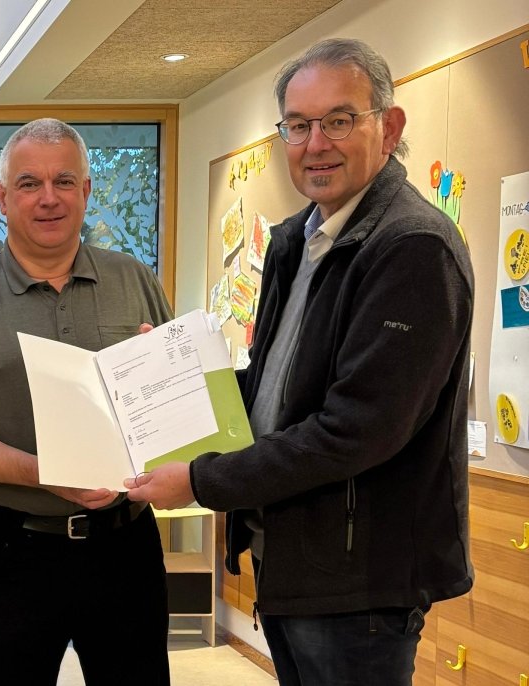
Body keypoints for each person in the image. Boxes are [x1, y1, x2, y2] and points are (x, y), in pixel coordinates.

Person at [127, 38, 474, 685]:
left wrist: (201, 483)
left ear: (389, 126)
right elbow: (273, 392)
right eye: (298, 125)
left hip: (359, 580)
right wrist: (170, 384)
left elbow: (354, 430)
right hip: (292, 556)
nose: (316, 143)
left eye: (339, 120)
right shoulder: (300, 241)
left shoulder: (414, 249)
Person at [0, 119, 172, 685]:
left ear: (86, 191)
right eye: (29, 184)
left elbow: (174, 395)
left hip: (125, 544)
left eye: (64, 181)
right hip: (14, 551)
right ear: (3, 198)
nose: (49, 198)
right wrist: (44, 474)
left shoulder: (135, 280)